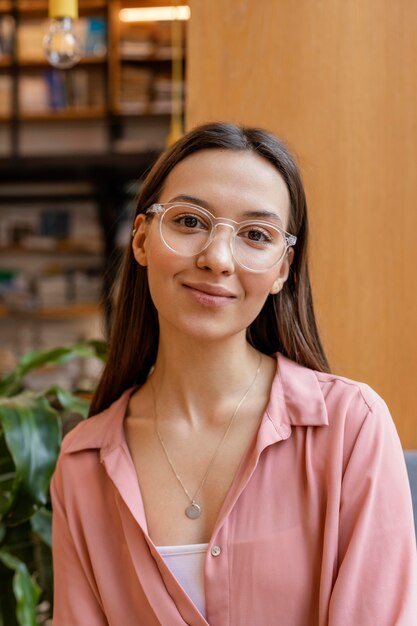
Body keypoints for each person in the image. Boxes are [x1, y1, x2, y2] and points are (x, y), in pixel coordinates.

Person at [51, 122, 417, 626]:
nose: (217, 259)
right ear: (141, 239)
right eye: (189, 221)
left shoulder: (352, 429)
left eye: (255, 235)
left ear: (282, 268)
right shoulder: (82, 466)